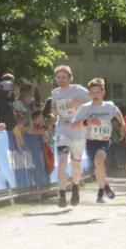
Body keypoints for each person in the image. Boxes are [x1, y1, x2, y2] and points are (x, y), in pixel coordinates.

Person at [71, 78, 125, 204]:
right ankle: (106, 186)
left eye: (98, 92)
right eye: (92, 92)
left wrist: (123, 125)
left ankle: (100, 195)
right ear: (89, 93)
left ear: (103, 92)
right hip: (90, 141)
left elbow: (117, 111)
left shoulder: (109, 106)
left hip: (104, 141)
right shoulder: (85, 108)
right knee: (97, 167)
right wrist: (87, 121)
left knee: (99, 161)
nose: (95, 95)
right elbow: (73, 125)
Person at [50, 65, 90, 207]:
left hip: (78, 129)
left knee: (75, 164)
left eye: (64, 77)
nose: (61, 80)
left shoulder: (79, 90)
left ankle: (75, 188)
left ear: (70, 78)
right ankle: (61, 195)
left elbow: (93, 101)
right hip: (62, 128)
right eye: (58, 77)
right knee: (62, 160)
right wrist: (54, 111)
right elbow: (54, 110)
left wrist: (80, 103)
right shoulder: (55, 93)